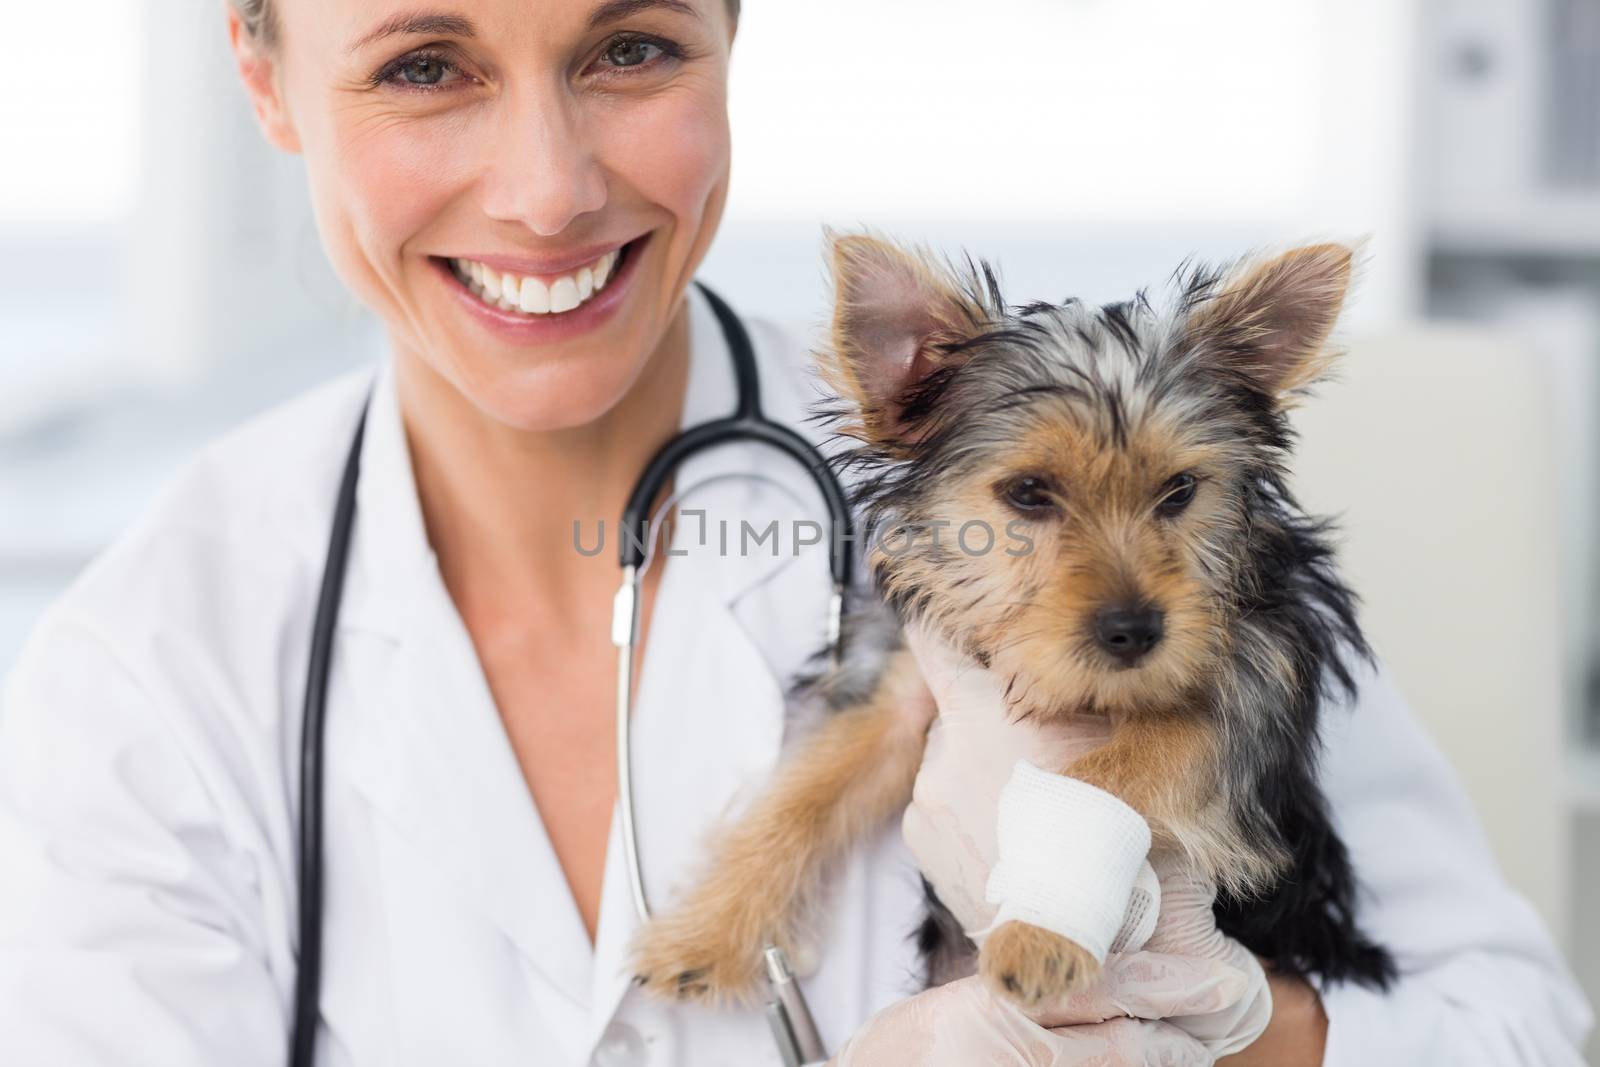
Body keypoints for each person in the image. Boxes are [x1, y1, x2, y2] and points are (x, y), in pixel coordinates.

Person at [0, 0, 1589, 1063]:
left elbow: (1517, 1028)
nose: (547, 192)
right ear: (266, 79)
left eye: (631, 48)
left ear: (732, 35)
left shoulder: (1155, 553)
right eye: (426, 64)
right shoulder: (149, 677)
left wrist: (1231, 1025)